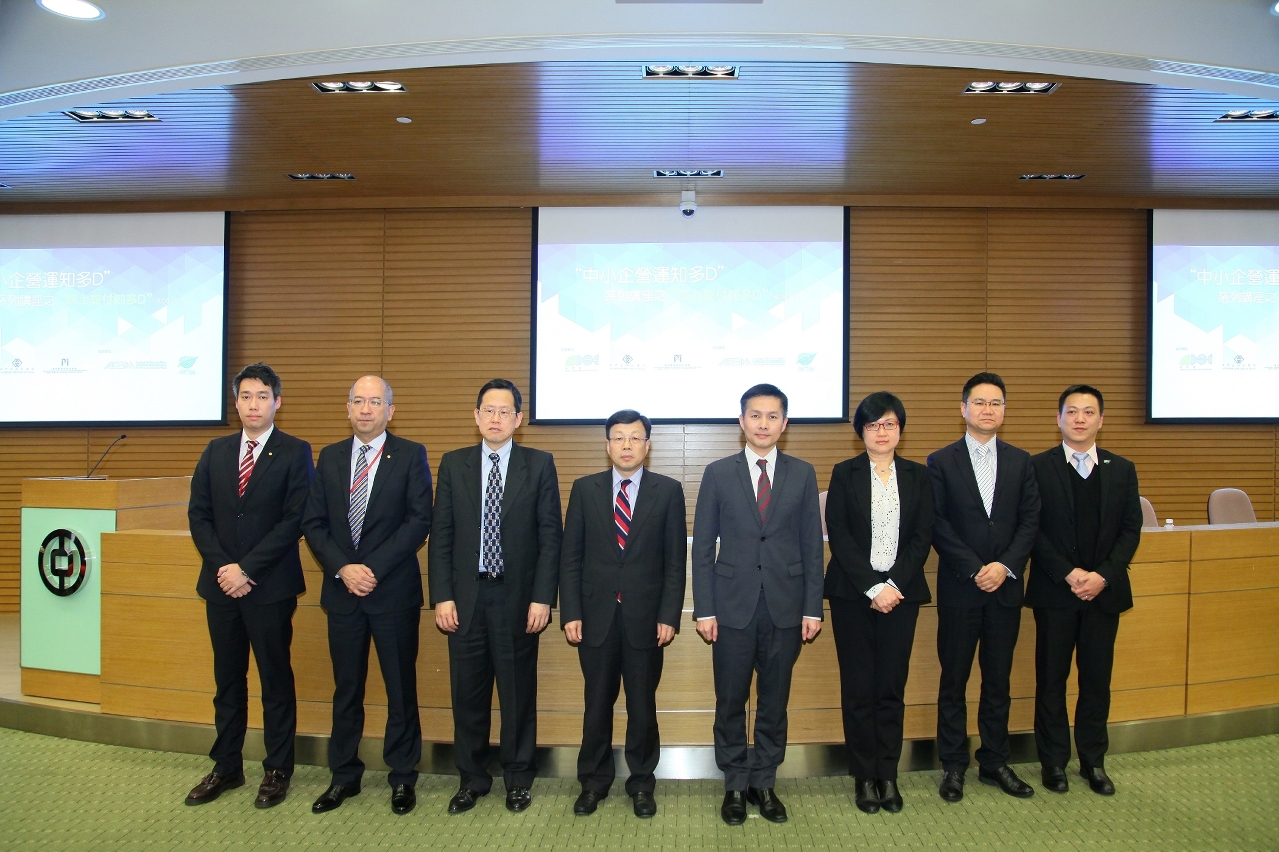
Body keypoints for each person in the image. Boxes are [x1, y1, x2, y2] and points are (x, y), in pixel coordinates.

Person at [692, 383, 824, 826]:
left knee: (774, 700)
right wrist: (703, 608)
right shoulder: (717, 472)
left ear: (785, 424)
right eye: (755, 415)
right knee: (730, 699)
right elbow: (702, 546)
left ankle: (764, 781)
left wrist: (812, 608)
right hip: (730, 606)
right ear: (741, 421)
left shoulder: (803, 473)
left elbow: (810, 544)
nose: (763, 423)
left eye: (772, 416)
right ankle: (733, 783)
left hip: (785, 606)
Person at [428, 379, 562, 815]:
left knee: (518, 693)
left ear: (519, 419)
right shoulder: (454, 464)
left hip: (518, 599)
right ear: (476, 415)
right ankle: (472, 779)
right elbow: (442, 535)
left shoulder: (540, 465)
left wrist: (543, 598)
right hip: (465, 599)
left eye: (506, 411)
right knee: (467, 695)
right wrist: (442, 596)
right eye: (489, 409)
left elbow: (550, 538)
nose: (496, 418)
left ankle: (518, 778)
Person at [185, 362, 314, 809]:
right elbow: (198, 515)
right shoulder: (216, 450)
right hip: (220, 586)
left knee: (275, 679)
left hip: (270, 587)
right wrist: (225, 568)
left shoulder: (296, 451)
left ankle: (278, 769)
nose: (253, 404)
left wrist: (248, 569)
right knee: (227, 680)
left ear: (277, 401)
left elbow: (294, 520)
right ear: (235, 401)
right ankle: (226, 766)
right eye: (245, 396)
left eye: (262, 396)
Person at [301, 376, 432, 816]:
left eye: (375, 402)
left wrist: (371, 569)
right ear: (348, 407)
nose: (366, 409)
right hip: (342, 594)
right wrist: (344, 568)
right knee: (346, 689)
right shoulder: (331, 456)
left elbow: (419, 520)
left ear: (390, 411)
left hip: (391, 591)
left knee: (400, 689)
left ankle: (402, 777)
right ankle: (344, 776)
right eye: (358, 401)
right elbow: (314, 523)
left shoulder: (411, 454)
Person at [560, 409, 687, 819]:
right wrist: (571, 611)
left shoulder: (668, 491)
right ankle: (593, 782)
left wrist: (669, 614)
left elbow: (674, 561)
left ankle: (642, 784)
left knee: (642, 706)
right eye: (619, 437)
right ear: (607, 444)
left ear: (648, 445)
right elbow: (571, 557)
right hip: (595, 616)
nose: (627, 445)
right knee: (595, 704)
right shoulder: (584, 489)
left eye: (635, 438)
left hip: (646, 619)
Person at [928, 371, 1040, 802]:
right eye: (979, 402)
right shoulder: (941, 461)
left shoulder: (1021, 460)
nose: (987, 410)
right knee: (953, 681)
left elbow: (1030, 521)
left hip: (1006, 590)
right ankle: (953, 765)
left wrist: (1005, 567)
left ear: (1004, 411)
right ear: (963, 409)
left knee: (998, 680)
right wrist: (976, 568)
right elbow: (937, 523)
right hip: (961, 587)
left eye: (995, 403)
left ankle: (994, 761)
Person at [1028, 385, 1142, 796]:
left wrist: (1102, 576)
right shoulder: (1037, 467)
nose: (1080, 419)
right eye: (1071, 411)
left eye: (1088, 412)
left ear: (1100, 420)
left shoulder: (1122, 468)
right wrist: (1070, 574)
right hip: (1055, 592)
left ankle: (1093, 761)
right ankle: (1054, 762)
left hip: (1104, 594)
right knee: (1051, 679)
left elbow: (1131, 530)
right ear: (1058, 419)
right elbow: (1031, 529)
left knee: (1096, 680)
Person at [824, 392, 934, 815]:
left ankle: (887, 774)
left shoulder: (918, 475)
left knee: (890, 688)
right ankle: (863, 776)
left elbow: (923, 536)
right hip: (853, 596)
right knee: (857, 689)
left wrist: (893, 585)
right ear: (861, 432)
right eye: (873, 425)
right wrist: (873, 587)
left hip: (902, 596)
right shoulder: (844, 472)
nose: (882, 432)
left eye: (889, 424)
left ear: (900, 429)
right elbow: (839, 534)